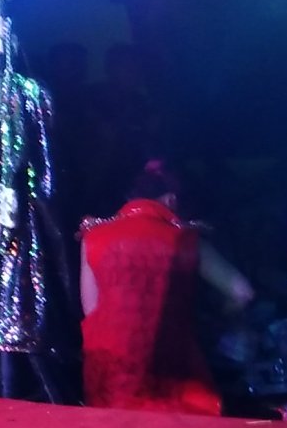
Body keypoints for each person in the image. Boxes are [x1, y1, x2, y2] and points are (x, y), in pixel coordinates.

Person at [79, 160, 253, 413]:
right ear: (171, 199)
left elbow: (91, 310)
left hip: (112, 375)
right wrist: (219, 320)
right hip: (172, 371)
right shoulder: (186, 238)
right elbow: (243, 292)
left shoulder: (93, 236)